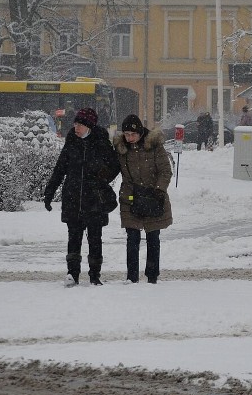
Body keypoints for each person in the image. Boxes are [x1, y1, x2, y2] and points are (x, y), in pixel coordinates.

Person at [44, 107, 120, 286]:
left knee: (95, 238)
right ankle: (72, 273)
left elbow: (115, 166)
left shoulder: (101, 142)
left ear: (89, 126)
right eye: (75, 124)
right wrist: (49, 192)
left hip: (95, 198)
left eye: (80, 124)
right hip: (73, 198)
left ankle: (95, 275)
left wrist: (102, 179)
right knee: (74, 238)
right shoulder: (71, 142)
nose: (76, 127)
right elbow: (59, 169)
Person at [113, 114, 173, 284]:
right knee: (132, 237)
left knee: (153, 237)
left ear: (140, 133)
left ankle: (152, 275)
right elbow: (111, 168)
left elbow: (165, 171)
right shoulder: (121, 149)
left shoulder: (154, 146)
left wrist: (159, 190)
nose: (129, 138)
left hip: (153, 197)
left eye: (132, 134)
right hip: (130, 197)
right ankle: (132, 277)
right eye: (126, 134)